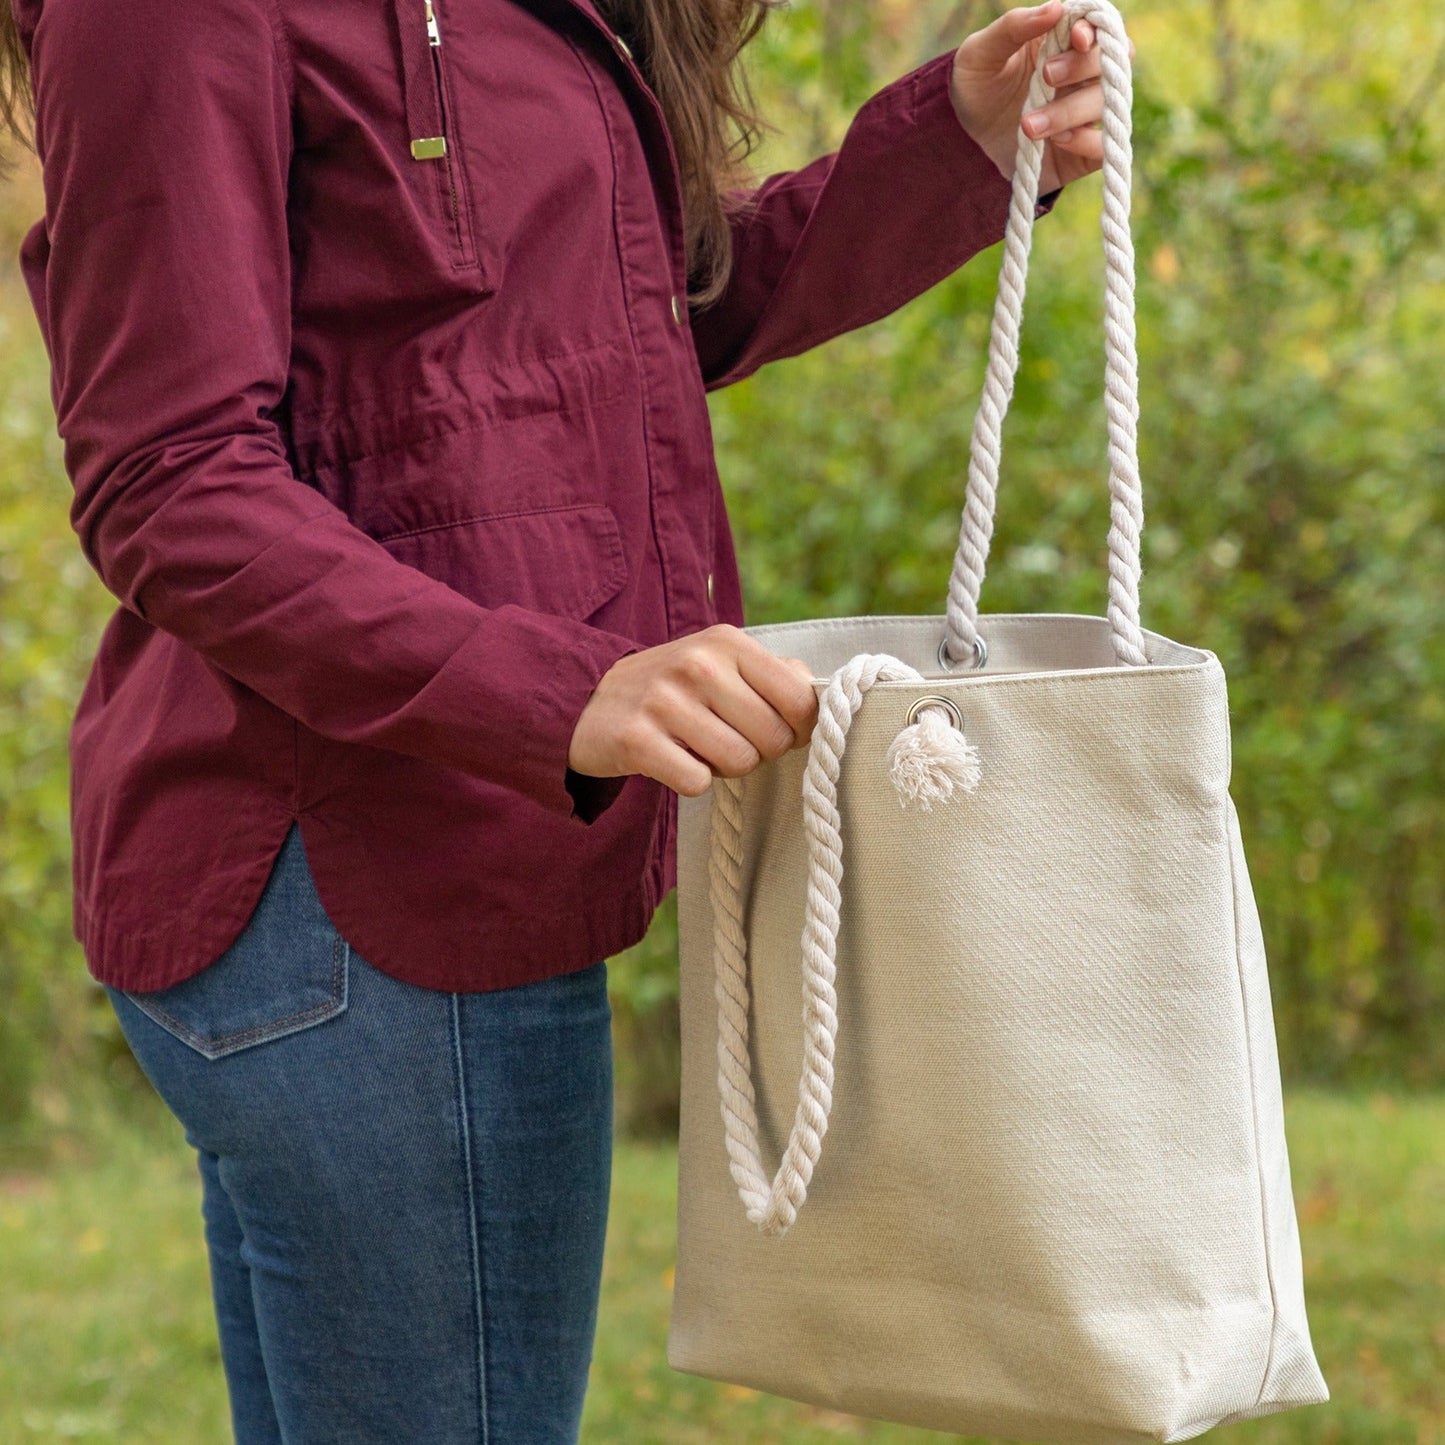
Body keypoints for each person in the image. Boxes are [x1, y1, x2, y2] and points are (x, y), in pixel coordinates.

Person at [0, 0, 1126, 1438]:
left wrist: (949, 148)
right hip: (362, 895)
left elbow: (622, 320)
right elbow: (171, 483)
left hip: (457, 862)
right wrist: (558, 687)